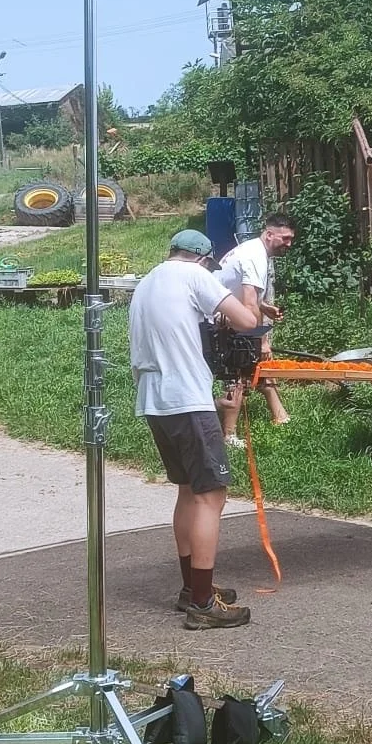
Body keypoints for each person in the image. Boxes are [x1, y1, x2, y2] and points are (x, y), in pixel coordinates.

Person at [129, 229, 261, 628]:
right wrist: (242, 302)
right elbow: (248, 320)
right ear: (203, 259)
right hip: (187, 399)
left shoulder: (146, 284)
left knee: (188, 491)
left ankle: (192, 587)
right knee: (211, 496)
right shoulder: (195, 275)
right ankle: (203, 604)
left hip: (156, 401)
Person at [215, 212, 297, 445]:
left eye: (291, 239)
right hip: (218, 320)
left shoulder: (255, 251)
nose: (289, 244)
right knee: (239, 370)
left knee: (260, 365)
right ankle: (229, 435)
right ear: (269, 234)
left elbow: (247, 297)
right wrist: (262, 341)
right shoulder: (254, 256)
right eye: (285, 238)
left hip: (230, 314)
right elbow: (249, 304)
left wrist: (265, 307)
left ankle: (280, 416)